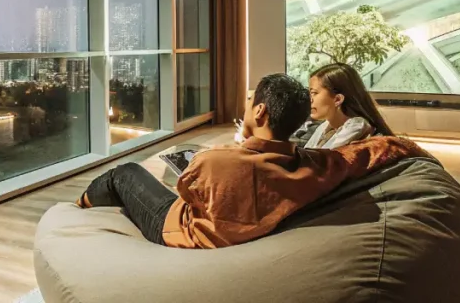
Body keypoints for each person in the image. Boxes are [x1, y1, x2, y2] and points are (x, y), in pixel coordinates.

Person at [75, 73, 429, 249]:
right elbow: (383, 147)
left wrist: (232, 153)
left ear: (259, 111)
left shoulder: (215, 161)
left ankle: (78, 210)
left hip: (182, 232)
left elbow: (187, 194)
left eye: (249, 103)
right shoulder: (323, 165)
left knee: (124, 173)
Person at [305, 63, 394, 149]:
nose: (310, 99)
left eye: (314, 93)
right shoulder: (325, 126)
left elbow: (325, 160)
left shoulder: (357, 125)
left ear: (338, 99)